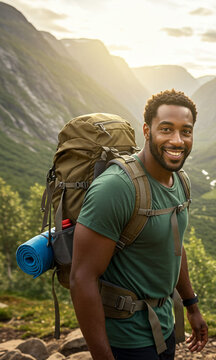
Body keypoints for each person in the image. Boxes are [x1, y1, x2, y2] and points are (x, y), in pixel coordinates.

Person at [70, 89, 208, 360]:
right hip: (125, 339)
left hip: (165, 327)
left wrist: (192, 306)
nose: (177, 140)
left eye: (186, 131)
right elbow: (81, 278)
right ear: (147, 130)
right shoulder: (116, 188)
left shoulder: (180, 181)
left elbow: (174, 247)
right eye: (166, 129)